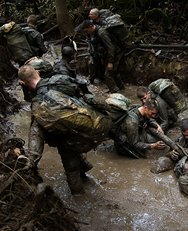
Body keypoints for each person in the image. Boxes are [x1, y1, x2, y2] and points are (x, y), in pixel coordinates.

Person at [18, 65, 106, 194]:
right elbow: (83, 88)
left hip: (67, 140)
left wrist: (31, 161)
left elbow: (36, 136)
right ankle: (85, 174)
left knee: (71, 169)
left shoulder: (38, 106)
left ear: (23, 83)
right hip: (90, 126)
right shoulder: (60, 79)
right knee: (77, 156)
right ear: (37, 72)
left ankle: (80, 198)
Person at [81, 20, 124, 93]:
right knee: (114, 72)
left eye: (87, 31)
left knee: (108, 74)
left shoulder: (101, 33)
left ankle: (115, 92)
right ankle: (121, 87)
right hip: (107, 54)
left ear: (91, 27)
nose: (87, 33)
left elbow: (111, 47)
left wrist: (110, 62)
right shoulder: (94, 32)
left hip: (115, 53)